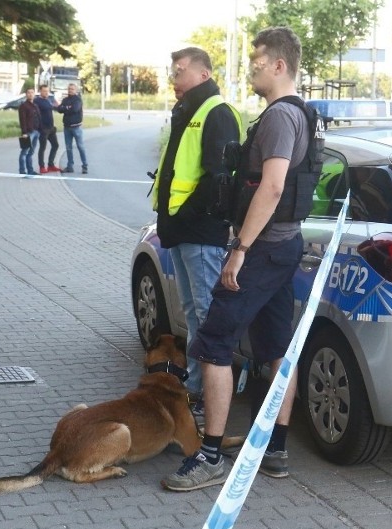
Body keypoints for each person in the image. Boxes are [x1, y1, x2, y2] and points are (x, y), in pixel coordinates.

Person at [162, 27, 322, 491]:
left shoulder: (278, 118)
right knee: (274, 350)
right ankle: (275, 451)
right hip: (284, 246)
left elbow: (271, 188)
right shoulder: (304, 113)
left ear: (278, 65)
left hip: (264, 248)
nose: (250, 68)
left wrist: (240, 249)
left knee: (212, 346)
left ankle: (209, 457)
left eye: (256, 61)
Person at [150, 47, 242, 418]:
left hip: (201, 231)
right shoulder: (187, 109)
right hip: (182, 229)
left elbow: (219, 180)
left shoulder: (216, 112)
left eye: (181, 70)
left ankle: (205, 398)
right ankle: (193, 388)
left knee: (205, 313)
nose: (174, 76)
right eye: (172, 70)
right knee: (191, 311)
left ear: (204, 74)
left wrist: (188, 213)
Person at [55, 83, 88, 174]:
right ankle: (70, 166)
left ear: (76, 90)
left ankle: (85, 166)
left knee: (80, 147)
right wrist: (66, 107)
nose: (70, 90)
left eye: (72, 89)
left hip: (76, 127)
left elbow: (75, 109)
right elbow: (59, 109)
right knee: (68, 148)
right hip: (67, 128)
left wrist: (65, 108)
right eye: (69, 89)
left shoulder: (78, 99)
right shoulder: (65, 99)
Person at [34, 85, 60, 173]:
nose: (46, 93)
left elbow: (51, 110)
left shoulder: (48, 100)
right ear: (40, 91)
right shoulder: (37, 101)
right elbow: (35, 115)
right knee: (43, 147)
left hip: (51, 128)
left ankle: (51, 165)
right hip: (43, 129)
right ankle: (42, 166)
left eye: (47, 91)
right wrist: (39, 127)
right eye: (44, 91)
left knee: (55, 145)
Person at [18, 88, 40, 175]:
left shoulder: (35, 105)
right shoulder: (23, 106)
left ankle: (30, 171)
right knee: (24, 152)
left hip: (36, 131)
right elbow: (22, 120)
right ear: (26, 94)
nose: (30, 94)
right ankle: (22, 171)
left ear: (34, 94)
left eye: (32, 92)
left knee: (31, 152)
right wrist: (24, 132)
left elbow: (38, 117)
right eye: (28, 93)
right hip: (28, 132)